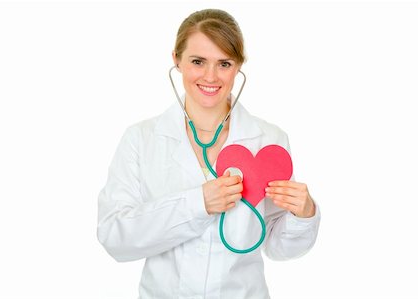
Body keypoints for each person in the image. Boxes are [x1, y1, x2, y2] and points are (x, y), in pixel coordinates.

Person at [98, 8, 320, 298]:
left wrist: (304, 215)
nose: (211, 76)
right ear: (176, 60)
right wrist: (197, 203)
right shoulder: (141, 139)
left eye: (224, 63)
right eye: (198, 61)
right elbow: (115, 238)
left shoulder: (269, 140)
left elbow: (278, 247)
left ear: (239, 66)